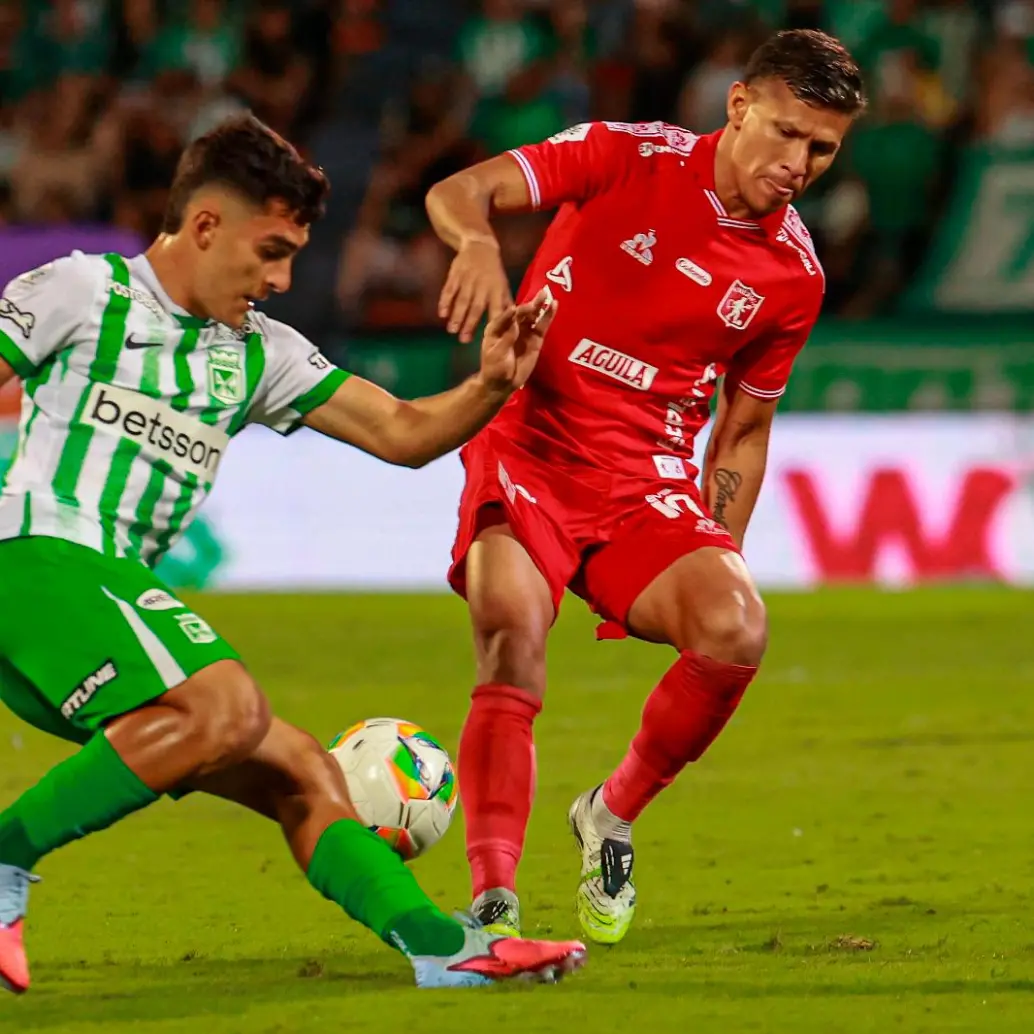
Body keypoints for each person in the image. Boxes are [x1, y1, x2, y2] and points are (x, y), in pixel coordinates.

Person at [0, 114, 585, 995]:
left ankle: (442, 947)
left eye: (293, 257)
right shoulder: (84, 292)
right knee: (228, 704)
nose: (279, 279)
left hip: (105, 607)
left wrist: (492, 383)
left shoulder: (259, 354)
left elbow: (402, 432)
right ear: (204, 226)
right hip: (36, 558)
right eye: (269, 250)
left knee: (301, 772)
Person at [425, 29, 866, 944]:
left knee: (737, 627)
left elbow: (744, 428)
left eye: (821, 149)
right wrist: (476, 246)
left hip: (644, 479)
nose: (799, 164)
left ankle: (610, 814)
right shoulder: (627, 154)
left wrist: (711, 556)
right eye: (785, 133)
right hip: (530, 443)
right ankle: (494, 898)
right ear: (738, 105)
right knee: (512, 631)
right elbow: (458, 191)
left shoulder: (793, 275)